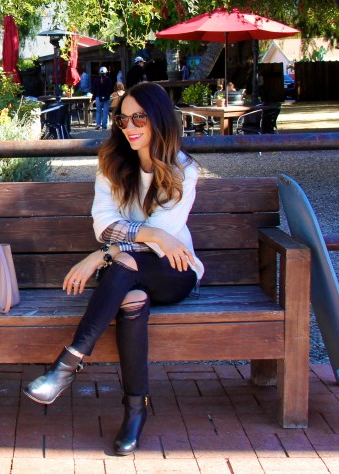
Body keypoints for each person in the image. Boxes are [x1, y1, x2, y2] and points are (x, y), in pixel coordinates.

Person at [23, 82, 204, 456]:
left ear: (159, 119)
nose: (130, 126)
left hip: (174, 272)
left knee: (124, 263)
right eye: (123, 119)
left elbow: (166, 242)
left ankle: (66, 366)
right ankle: (134, 412)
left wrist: (100, 256)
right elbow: (103, 224)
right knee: (132, 297)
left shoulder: (184, 170)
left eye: (140, 117)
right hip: (126, 275)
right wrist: (126, 242)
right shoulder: (111, 163)